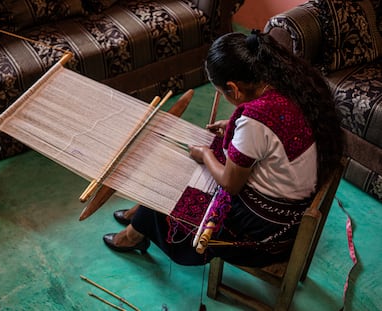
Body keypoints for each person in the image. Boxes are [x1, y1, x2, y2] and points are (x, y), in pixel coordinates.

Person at [103, 30, 344, 267]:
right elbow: (276, 132)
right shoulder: (286, 86)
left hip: (262, 234)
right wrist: (233, 125)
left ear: (234, 88)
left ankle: (134, 235)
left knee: (172, 180)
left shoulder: (254, 120)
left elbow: (230, 184)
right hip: (288, 212)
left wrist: (205, 155)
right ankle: (139, 216)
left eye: (221, 92)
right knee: (186, 168)